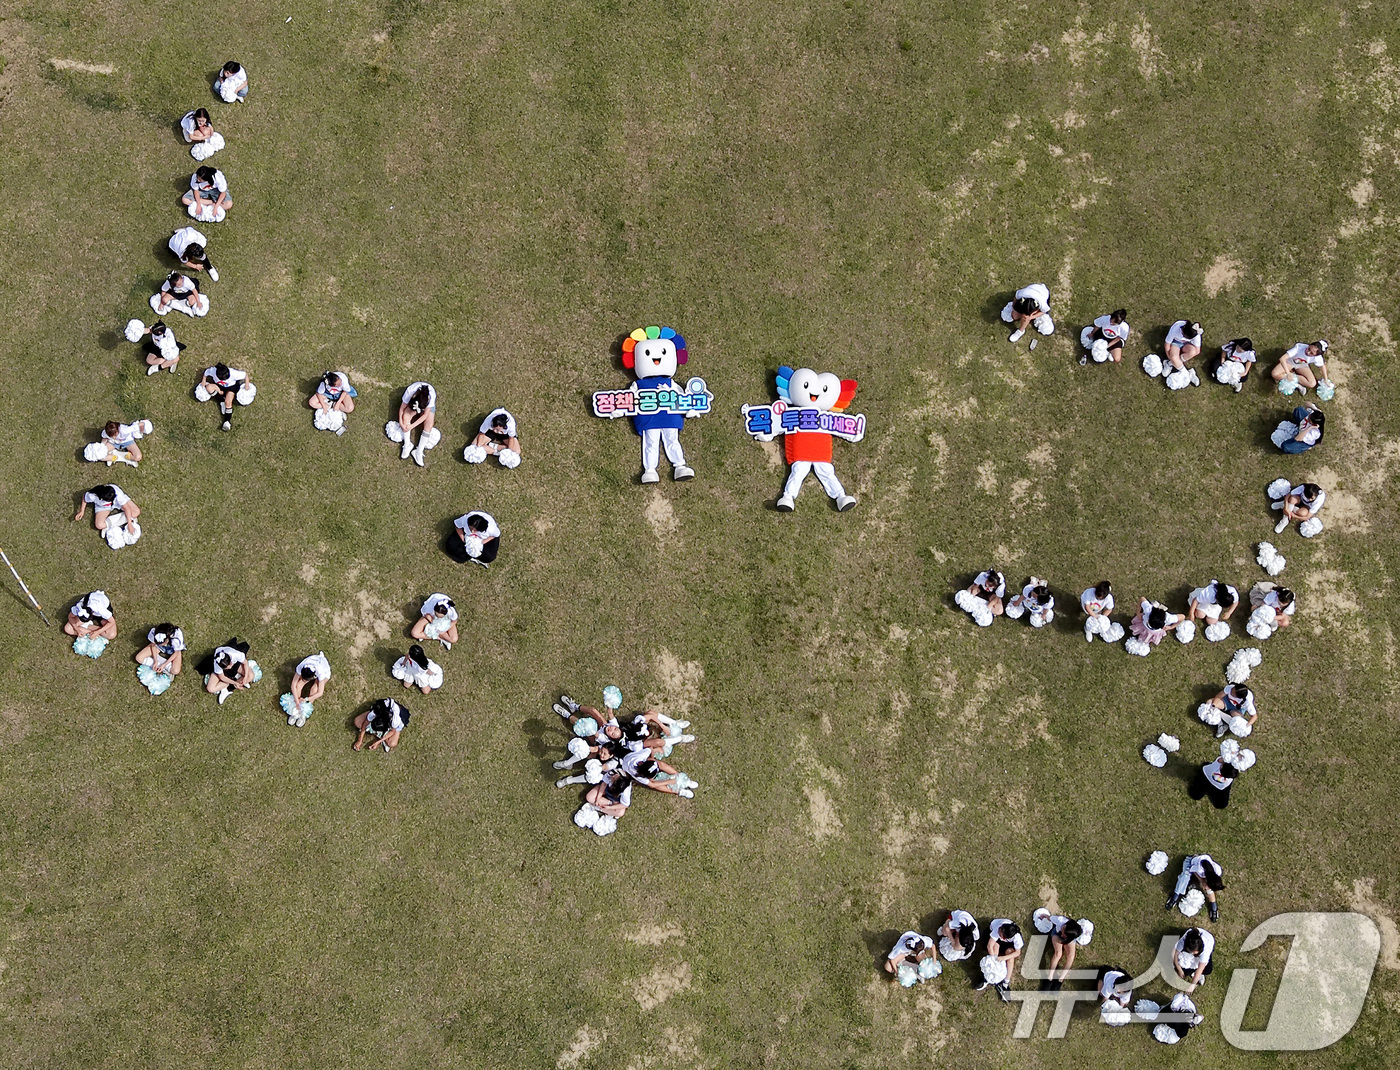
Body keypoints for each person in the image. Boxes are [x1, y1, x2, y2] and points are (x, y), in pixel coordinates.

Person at [1033, 910, 1088, 988]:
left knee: (1071, 956)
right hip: (1056, 934)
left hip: (1069, 938)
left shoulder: (1073, 933)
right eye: (1063, 930)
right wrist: (1044, 915)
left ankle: (1060, 980)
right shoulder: (1060, 920)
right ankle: (1049, 978)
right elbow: (1050, 918)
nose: (1063, 934)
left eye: (1064, 934)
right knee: (1058, 953)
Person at [388, 382, 439, 466]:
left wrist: (412, 426)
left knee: (429, 425)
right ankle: (407, 444)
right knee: (406, 415)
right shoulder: (409, 392)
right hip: (415, 402)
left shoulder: (431, 396)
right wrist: (401, 422)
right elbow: (402, 409)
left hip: (425, 406)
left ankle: (418, 451)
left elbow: (425, 415)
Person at [196, 362, 256, 431]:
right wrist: (203, 381)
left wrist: (247, 386)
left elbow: (245, 375)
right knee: (209, 387)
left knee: (228, 402)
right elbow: (206, 373)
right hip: (220, 387)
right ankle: (221, 400)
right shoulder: (213, 371)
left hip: (231, 387)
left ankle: (227, 421)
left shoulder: (234, 373)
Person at [1166, 854, 1225, 921]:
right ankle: (1175, 897)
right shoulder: (1200, 869)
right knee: (1185, 877)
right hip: (1190, 863)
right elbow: (1192, 870)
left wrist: (1207, 886)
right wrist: (1202, 881)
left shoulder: (1218, 871)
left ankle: (1214, 907)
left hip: (1202, 870)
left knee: (1209, 889)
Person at [974, 919, 1023, 1000]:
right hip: (993, 940)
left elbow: (1017, 952)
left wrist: (1004, 958)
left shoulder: (1017, 937)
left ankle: (1005, 983)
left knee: (1010, 955)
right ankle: (988, 978)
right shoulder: (999, 928)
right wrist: (995, 961)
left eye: (1001, 934)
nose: (999, 932)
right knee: (995, 947)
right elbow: (990, 946)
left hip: (1006, 944)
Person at [203, 639, 261, 705]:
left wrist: (245, 677)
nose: (230, 667)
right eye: (227, 667)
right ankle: (226, 687)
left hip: (236, 665)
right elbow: (222, 677)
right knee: (210, 688)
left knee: (250, 676)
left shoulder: (235, 654)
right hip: (223, 673)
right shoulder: (217, 663)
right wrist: (234, 682)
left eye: (229, 665)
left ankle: (230, 687)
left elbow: (245, 663)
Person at [281, 652, 331, 727]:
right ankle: (296, 710)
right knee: (298, 685)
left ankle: (303, 713)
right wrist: (297, 701)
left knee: (314, 689)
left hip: (324, 672)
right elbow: (293, 685)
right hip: (311, 672)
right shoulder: (301, 666)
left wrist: (305, 699)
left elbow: (320, 692)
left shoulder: (321, 671)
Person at [619, 751, 698, 798]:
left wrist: (653, 757)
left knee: (660, 764)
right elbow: (652, 785)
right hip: (635, 768)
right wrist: (668, 782)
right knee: (656, 783)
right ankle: (678, 791)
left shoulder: (642, 755)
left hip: (638, 760)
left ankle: (680, 779)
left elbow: (650, 749)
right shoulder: (639, 776)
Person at [135, 622, 185, 695]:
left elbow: (176, 653)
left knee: (175, 671)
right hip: (159, 648)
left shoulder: (175, 638)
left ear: (167, 640)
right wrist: (155, 661)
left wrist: (164, 665)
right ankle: (161, 665)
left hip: (173, 650)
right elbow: (153, 645)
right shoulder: (154, 634)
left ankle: (164, 666)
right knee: (139, 658)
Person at [64, 590, 116, 658]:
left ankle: (89, 628)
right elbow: (70, 616)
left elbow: (112, 621)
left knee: (111, 635)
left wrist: (98, 632)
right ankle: (90, 630)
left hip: (101, 613)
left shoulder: (100, 609)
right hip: (90, 611)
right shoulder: (79, 607)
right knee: (67, 629)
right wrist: (77, 630)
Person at [74, 483, 139, 535]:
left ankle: (124, 519)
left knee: (136, 512)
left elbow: (127, 508)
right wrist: (82, 511)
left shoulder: (118, 494)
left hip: (117, 503)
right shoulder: (94, 495)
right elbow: (85, 498)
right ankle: (123, 519)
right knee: (99, 525)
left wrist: (129, 524)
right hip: (103, 507)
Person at [86, 419, 153, 467]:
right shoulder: (105, 433)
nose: (114, 437)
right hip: (113, 443)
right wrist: (102, 447)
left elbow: (137, 426)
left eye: (115, 435)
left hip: (127, 441)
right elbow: (104, 438)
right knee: (99, 455)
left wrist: (144, 424)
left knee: (138, 457)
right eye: (112, 436)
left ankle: (123, 456)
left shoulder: (125, 430)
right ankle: (115, 457)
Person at [1172, 928, 1215, 992]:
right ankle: (1191, 972)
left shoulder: (1206, 950)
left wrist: (1192, 985)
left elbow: (1200, 969)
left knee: (1208, 970)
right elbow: (1175, 953)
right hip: (1191, 940)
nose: (1192, 954)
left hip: (1208, 942)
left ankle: (1195, 974)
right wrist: (1179, 968)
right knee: (1183, 971)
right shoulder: (1184, 940)